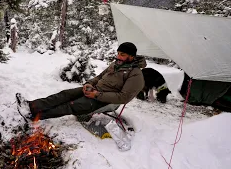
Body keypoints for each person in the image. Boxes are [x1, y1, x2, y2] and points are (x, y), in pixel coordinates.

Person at [17, 42, 147, 121]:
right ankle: (31, 105)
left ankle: (35, 116)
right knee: (65, 94)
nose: (118, 56)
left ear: (132, 57)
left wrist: (96, 95)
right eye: (118, 53)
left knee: (71, 105)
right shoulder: (115, 64)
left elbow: (123, 97)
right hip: (94, 91)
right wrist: (89, 84)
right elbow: (99, 77)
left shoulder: (136, 75)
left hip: (104, 101)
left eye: (122, 54)